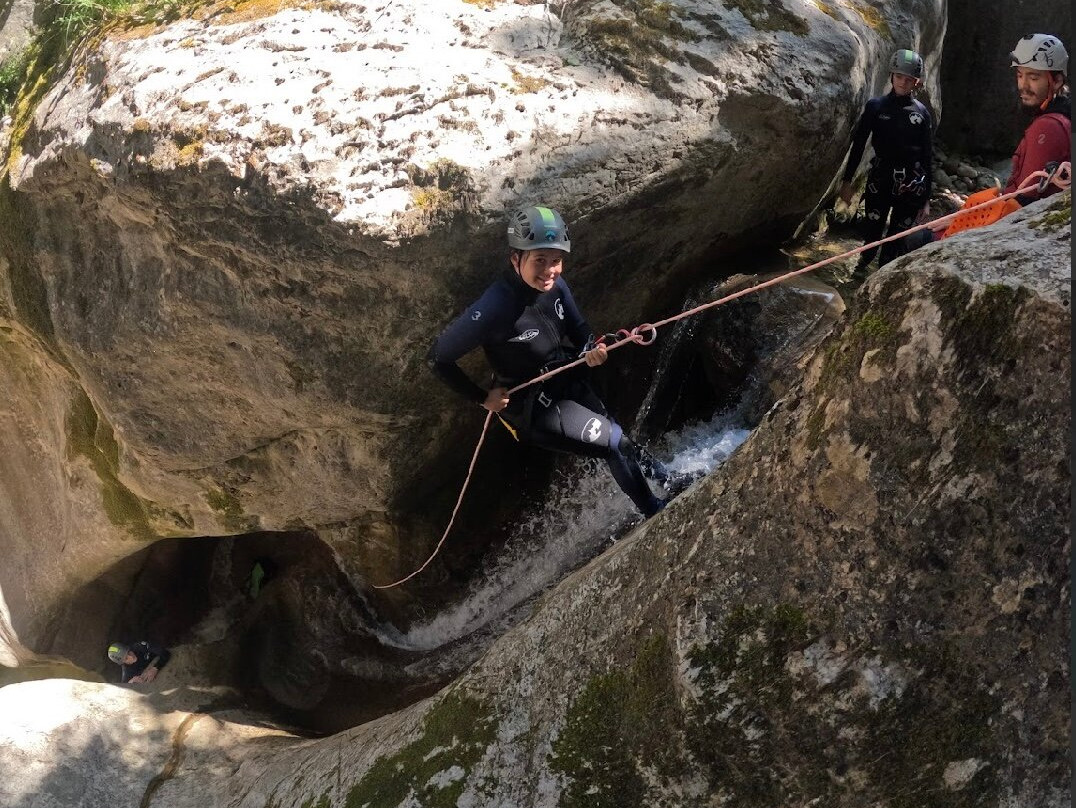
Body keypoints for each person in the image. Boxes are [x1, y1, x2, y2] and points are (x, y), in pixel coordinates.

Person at [427, 205, 681, 517]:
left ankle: (669, 481)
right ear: (515, 259)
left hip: (565, 378)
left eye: (557, 260)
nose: (550, 270)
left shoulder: (556, 286)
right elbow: (437, 358)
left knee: (619, 438)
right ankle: (656, 512)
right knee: (613, 442)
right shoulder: (493, 308)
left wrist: (593, 349)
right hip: (534, 407)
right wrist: (482, 398)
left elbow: (581, 331)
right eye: (540, 260)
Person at [936, 34, 1070, 239]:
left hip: (1017, 230)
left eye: (1033, 78)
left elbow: (1022, 203)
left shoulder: (1048, 127)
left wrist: (961, 222)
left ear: (1057, 80)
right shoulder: (1060, 117)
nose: (1023, 86)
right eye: (1019, 75)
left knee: (920, 239)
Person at [838, 49, 933, 280]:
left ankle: (880, 280)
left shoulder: (921, 114)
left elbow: (928, 155)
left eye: (909, 79)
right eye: (899, 76)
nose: (903, 82)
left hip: (911, 184)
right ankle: (857, 276)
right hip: (879, 179)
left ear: (916, 82)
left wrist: (926, 198)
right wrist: (847, 181)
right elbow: (859, 144)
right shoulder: (876, 107)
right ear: (891, 76)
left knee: (895, 239)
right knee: (871, 235)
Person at [107, 640, 171, 684]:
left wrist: (155, 668)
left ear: (129, 648)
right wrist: (131, 682)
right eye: (126, 658)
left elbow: (165, 653)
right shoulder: (127, 670)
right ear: (123, 663)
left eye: (129, 652)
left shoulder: (139, 647)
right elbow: (124, 685)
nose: (131, 657)